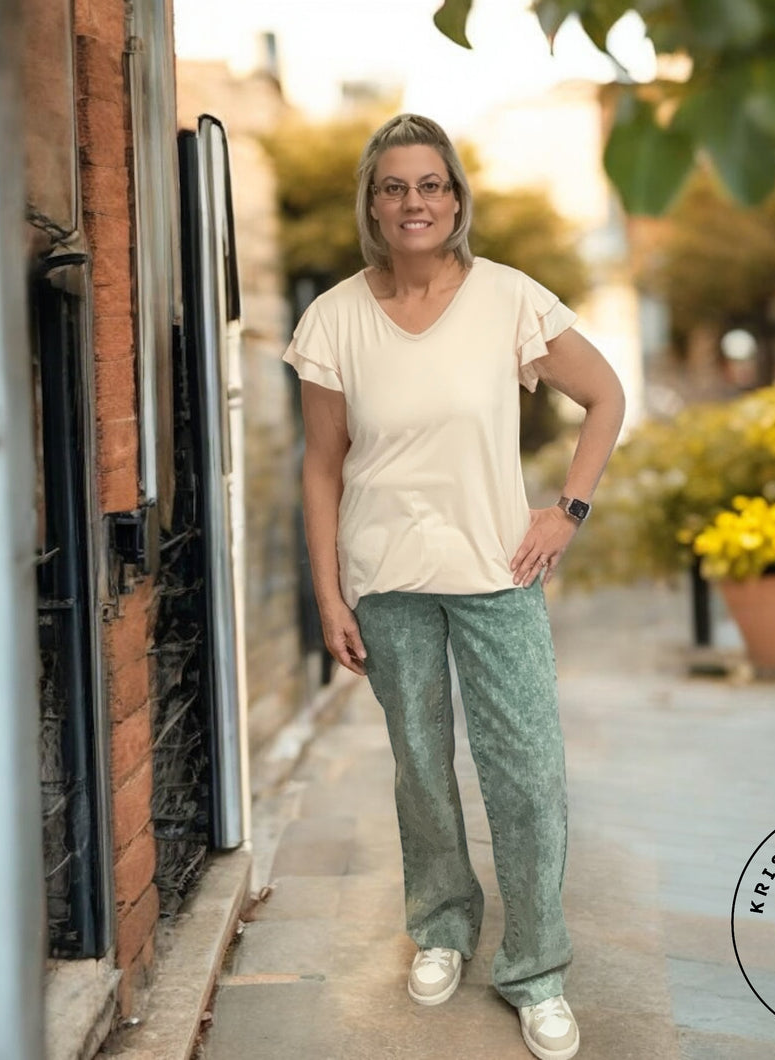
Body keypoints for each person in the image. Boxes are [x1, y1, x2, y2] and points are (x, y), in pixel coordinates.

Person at [283, 113, 625, 1060]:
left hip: (497, 573)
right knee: (422, 770)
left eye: (430, 184)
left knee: (529, 777)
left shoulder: (509, 299)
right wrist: (328, 596)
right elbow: (322, 464)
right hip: (386, 579)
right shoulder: (335, 319)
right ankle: (440, 926)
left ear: (456, 198)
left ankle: (536, 970)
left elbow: (605, 396)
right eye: (394, 186)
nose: (413, 202)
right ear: (372, 203)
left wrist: (568, 510)